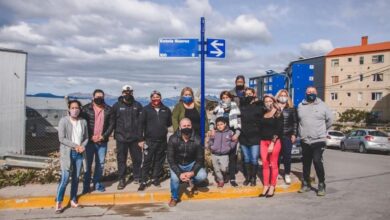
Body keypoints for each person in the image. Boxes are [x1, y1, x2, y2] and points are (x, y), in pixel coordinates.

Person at [297, 86, 333, 196]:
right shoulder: (300, 106)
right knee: (306, 163)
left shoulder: (323, 106)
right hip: (305, 140)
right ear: (305, 93)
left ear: (316, 93)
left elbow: (330, 121)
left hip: (319, 139)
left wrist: (321, 131)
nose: (311, 93)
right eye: (309, 92)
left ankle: (321, 184)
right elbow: (298, 121)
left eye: (313, 91)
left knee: (317, 161)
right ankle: (306, 184)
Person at [55, 100, 88, 213]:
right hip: (68, 154)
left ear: (80, 109)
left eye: (77, 107)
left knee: (76, 178)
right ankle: (59, 202)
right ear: (69, 109)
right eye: (73, 108)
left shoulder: (83, 121)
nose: (75, 110)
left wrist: (82, 146)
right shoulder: (63, 121)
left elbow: (86, 138)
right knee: (65, 178)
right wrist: (76, 146)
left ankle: (73, 199)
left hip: (79, 154)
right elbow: (62, 138)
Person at [167, 118, 207, 207]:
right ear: (180, 127)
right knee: (175, 179)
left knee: (202, 176)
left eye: (188, 125)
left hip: (191, 164)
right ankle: (174, 197)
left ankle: (192, 182)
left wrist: (192, 172)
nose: (186, 127)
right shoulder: (173, 138)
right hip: (177, 164)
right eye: (184, 126)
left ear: (191, 126)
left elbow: (200, 159)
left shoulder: (197, 139)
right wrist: (179, 173)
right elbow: (170, 158)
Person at [138, 90, 172, 191]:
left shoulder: (166, 109)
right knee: (147, 161)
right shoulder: (145, 110)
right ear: (151, 98)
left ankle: (155, 178)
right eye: (154, 97)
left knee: (159, 161)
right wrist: (140, 139)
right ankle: (143, 181)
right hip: (149, 141)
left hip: (162, 141)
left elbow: (169, 123)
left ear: (161, 98)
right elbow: (140, 125)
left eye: (158, 97)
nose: (156, 99)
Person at [82, 89, 114, 193]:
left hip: (102, 142)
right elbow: (82, 125)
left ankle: (97, 184)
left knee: (100, 164)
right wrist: (89, 136)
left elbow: (111, 125)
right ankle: (86, 186)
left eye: (101, 96)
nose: (99, 98)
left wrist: (104, 136)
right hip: (89, 142)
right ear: (93, 97)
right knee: (88, 164)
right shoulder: (86, 109)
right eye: (97, 96)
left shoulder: (108, 109)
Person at [112, 85, 143, 190]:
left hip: (135, 138)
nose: (127, 94)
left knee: (137, 159)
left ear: (132, 92)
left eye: (129, 92)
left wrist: (141, 138)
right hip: (121, 138)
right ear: (122, 93)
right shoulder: (116, 106)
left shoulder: (138, 105)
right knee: (121, 160)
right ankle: (122, 179)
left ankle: (137, 176)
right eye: (125, 92)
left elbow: (142, 122)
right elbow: (112, 121)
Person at [209, 91, 241, 187]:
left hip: (231, 134)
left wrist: (237, 134)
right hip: (219, 134)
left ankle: (232, 178)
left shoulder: (235, 108)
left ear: (230, 98)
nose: (225, 99)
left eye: (227, 97)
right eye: (223, 97)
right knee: (223, 159)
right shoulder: (218, 108)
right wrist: (212, 130)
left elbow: (239, 122)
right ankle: (223, 176)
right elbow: (212, 120)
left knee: (232, 158)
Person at [259, 94, 282, 198]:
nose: (268, 103)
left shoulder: (278, 113)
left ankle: (272, 186)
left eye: (270, 101)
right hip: (263, 141)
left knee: (273, 164)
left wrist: (272, 143)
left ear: (273, 101)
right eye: (266, 101)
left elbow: (278, 130)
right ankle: (265, 186)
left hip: (274, 142)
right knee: (264, 163)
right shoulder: (263, 113)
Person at [239, 88, 264, 186]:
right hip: (244, 137)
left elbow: (264, 112)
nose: (248, 95)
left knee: (254, 158)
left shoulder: (258, 106)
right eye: (246, 94)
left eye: (250, 94)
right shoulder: (242, 107)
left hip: (255, 137)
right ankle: (248, 177)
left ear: (254, 95)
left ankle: (253, 178)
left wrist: (259, 101)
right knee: (246, 159)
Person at [275, 89, 297, 185]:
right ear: (278, 96)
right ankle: (275, 174)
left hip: (287, 135)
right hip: (276, 136)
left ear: (287, 97)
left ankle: (287, 173)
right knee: (276, 156)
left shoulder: (291, 108)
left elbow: (295, 122)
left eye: (285, 95)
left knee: (287, 156)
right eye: (281, 95)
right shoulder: (274, 107)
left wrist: (294, 134)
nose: (283, 97)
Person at [208, 117, 237, 187]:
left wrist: (229, 147)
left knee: (224, 168)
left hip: (224, 154)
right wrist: (211, 146)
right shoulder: (215, 132)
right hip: (214, 154)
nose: (219, 126)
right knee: (216, 169)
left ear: (225, 124)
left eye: (221, 124)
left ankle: (225, 175)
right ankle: (221, 181)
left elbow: (234, 141)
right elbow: (210, 141)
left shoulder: (230, 132)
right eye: (218, 125)